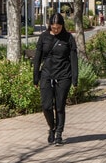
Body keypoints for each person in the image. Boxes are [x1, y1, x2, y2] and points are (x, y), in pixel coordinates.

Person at [33, 13, 78, 146]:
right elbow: (37, 58)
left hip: (64, 75)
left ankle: (59, 133)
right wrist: (35, 77)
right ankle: (52, 127)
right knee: (46, 106)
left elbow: (74, 59)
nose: (56, 30)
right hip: (46, 74)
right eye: (53, 27)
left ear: (62, 26)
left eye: (58, 27)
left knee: (59, 106)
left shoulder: (68, 38)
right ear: (50, 26)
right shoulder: (44, 37)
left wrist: (75, 78)